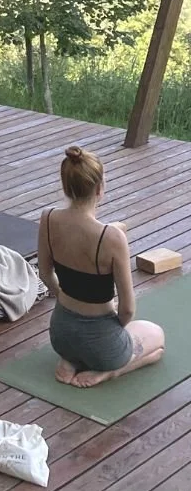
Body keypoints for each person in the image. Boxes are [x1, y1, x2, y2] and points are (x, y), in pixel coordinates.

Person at [38, 144, 165, 388]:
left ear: (66, 186)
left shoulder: (48, 218)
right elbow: (127, 310)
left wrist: (64, 299)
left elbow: (45, 273)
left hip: (61, 334)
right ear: (99, 189)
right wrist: (106, 331)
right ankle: (108, 372)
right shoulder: (113, 239)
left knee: (80, 343)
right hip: (102, 345)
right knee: (156, 337)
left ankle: (70, 360)